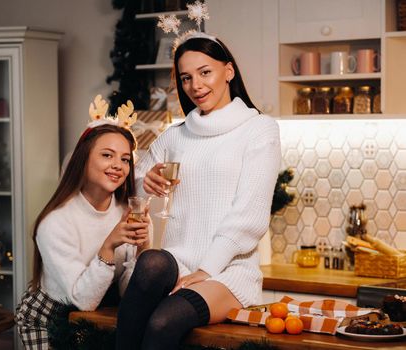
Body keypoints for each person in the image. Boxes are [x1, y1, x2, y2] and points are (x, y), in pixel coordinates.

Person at [115, 29, 281, 350]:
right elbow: (134, 190)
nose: (196, 86)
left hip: (228, 270)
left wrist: (207, 269)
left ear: (228, 71)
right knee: (151, 262)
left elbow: (250, 215)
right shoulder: (174, 136)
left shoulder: (258, 129)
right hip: (179, 261)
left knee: (162, 321)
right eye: (186, 77)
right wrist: (146, 182)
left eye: (205, 72)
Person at [15, 121, 151, 349]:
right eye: (107, 155)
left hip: (100, 314)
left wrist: (142, 250)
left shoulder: (126, 213)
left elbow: (127, 292)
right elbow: (84, 300)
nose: (118, 165)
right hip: (50, 318)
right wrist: (108, 246)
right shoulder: (54, 222)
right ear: (83, 159)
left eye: (125, 159)